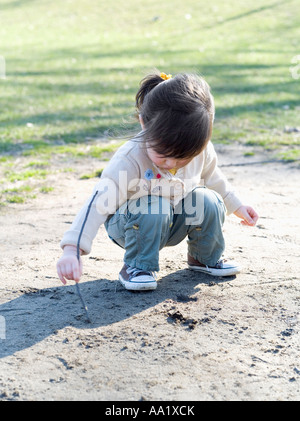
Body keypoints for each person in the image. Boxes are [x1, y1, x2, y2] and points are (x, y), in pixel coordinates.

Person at [57, 71, 259, 291]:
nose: (170, 163)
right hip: (129, 224)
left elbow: (215, 178)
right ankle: (137, 267)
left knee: (208, 199)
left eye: (183, 158)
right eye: (162, 153)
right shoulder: (129, 160)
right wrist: (72, 250)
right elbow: (98, 203)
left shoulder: (199, 150)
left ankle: (203, 258)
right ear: (144, 124)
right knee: (155, 205)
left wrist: (237, 206)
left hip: (171, 221)